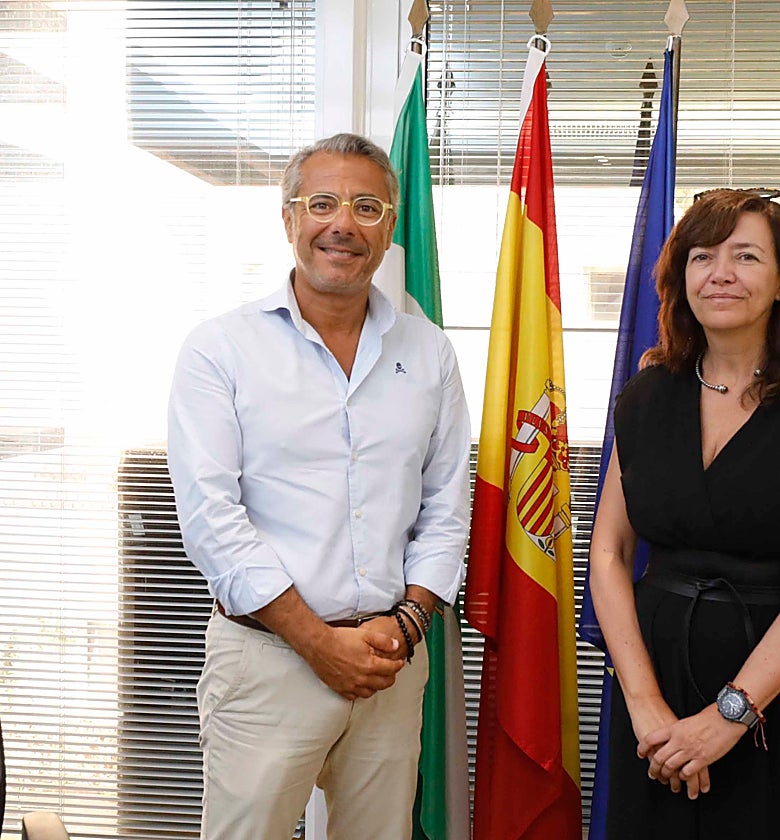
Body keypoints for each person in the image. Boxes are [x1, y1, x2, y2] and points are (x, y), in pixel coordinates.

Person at [166, 132, 471, 840]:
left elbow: (446, 508)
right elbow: (213, 519)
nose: (343, 224)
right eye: (323, 203)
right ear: (289, 219)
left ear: (391, 226)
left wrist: (405, 625)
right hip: (267, 664)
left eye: (366, 206)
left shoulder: (428, 353)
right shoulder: (222, 349)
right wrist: (316, 642)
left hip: (389, 665)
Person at [588, 187, 780, 838]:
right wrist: (646, 708)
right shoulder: (646, 395)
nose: (720, 273)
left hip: (777, 691)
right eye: (702, 256)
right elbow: (609, 555)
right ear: (681, 278)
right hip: (654, 681)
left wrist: (729, 716)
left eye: (747, 256)